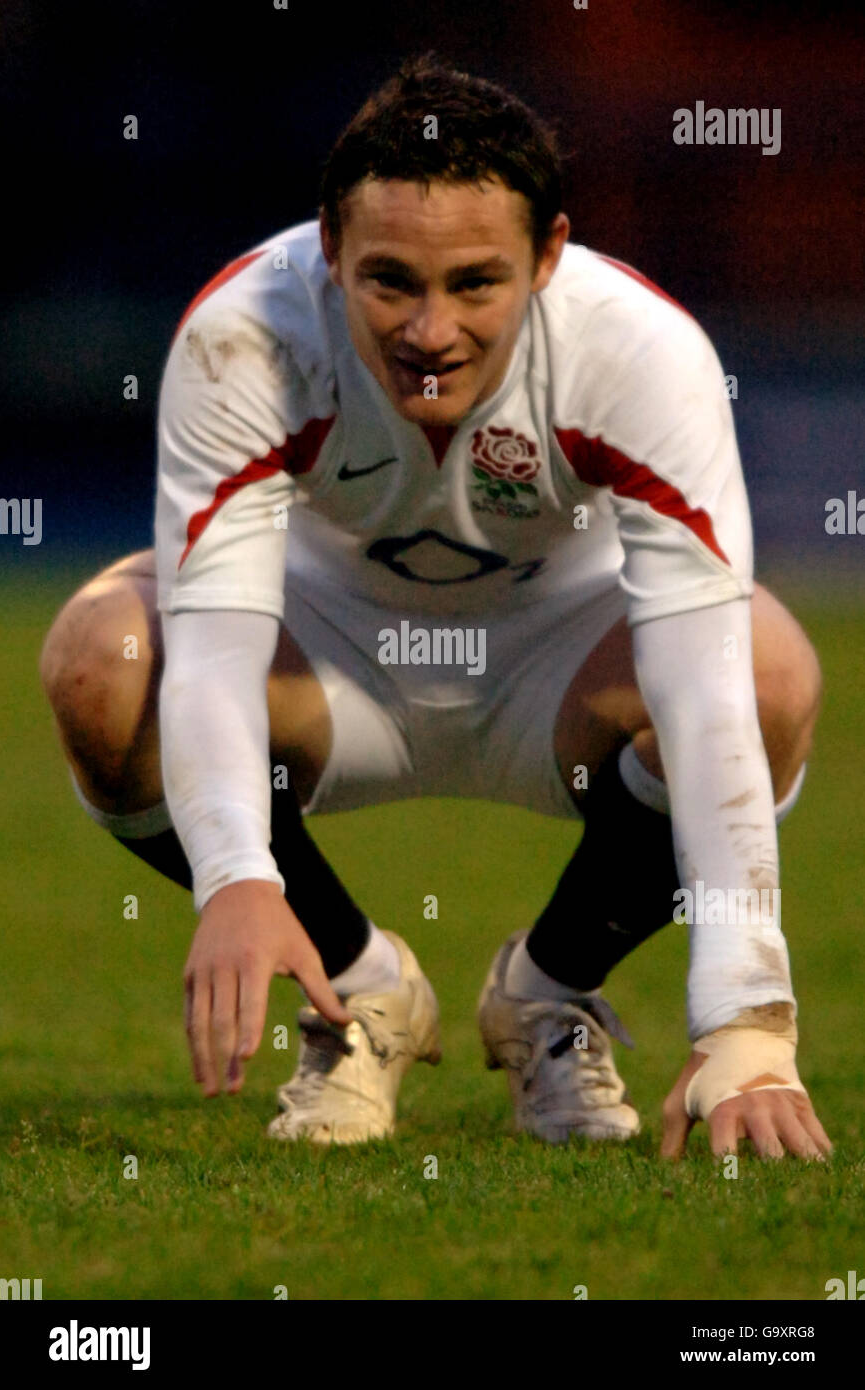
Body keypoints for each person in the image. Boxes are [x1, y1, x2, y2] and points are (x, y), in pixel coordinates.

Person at [40, 56, 832, 1159]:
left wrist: (746, 1020)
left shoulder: (640, 354)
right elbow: (213, 649)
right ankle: (362, 993)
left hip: (561, 666)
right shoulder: (243, 335)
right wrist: (232, 877)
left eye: (474, 283)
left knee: (768, 672)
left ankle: (546, 995)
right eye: (389, 281)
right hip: (319, 658)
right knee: (101, 655)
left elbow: (701, 691)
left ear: (548, 255)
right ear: (326, 247)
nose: (429, 329)